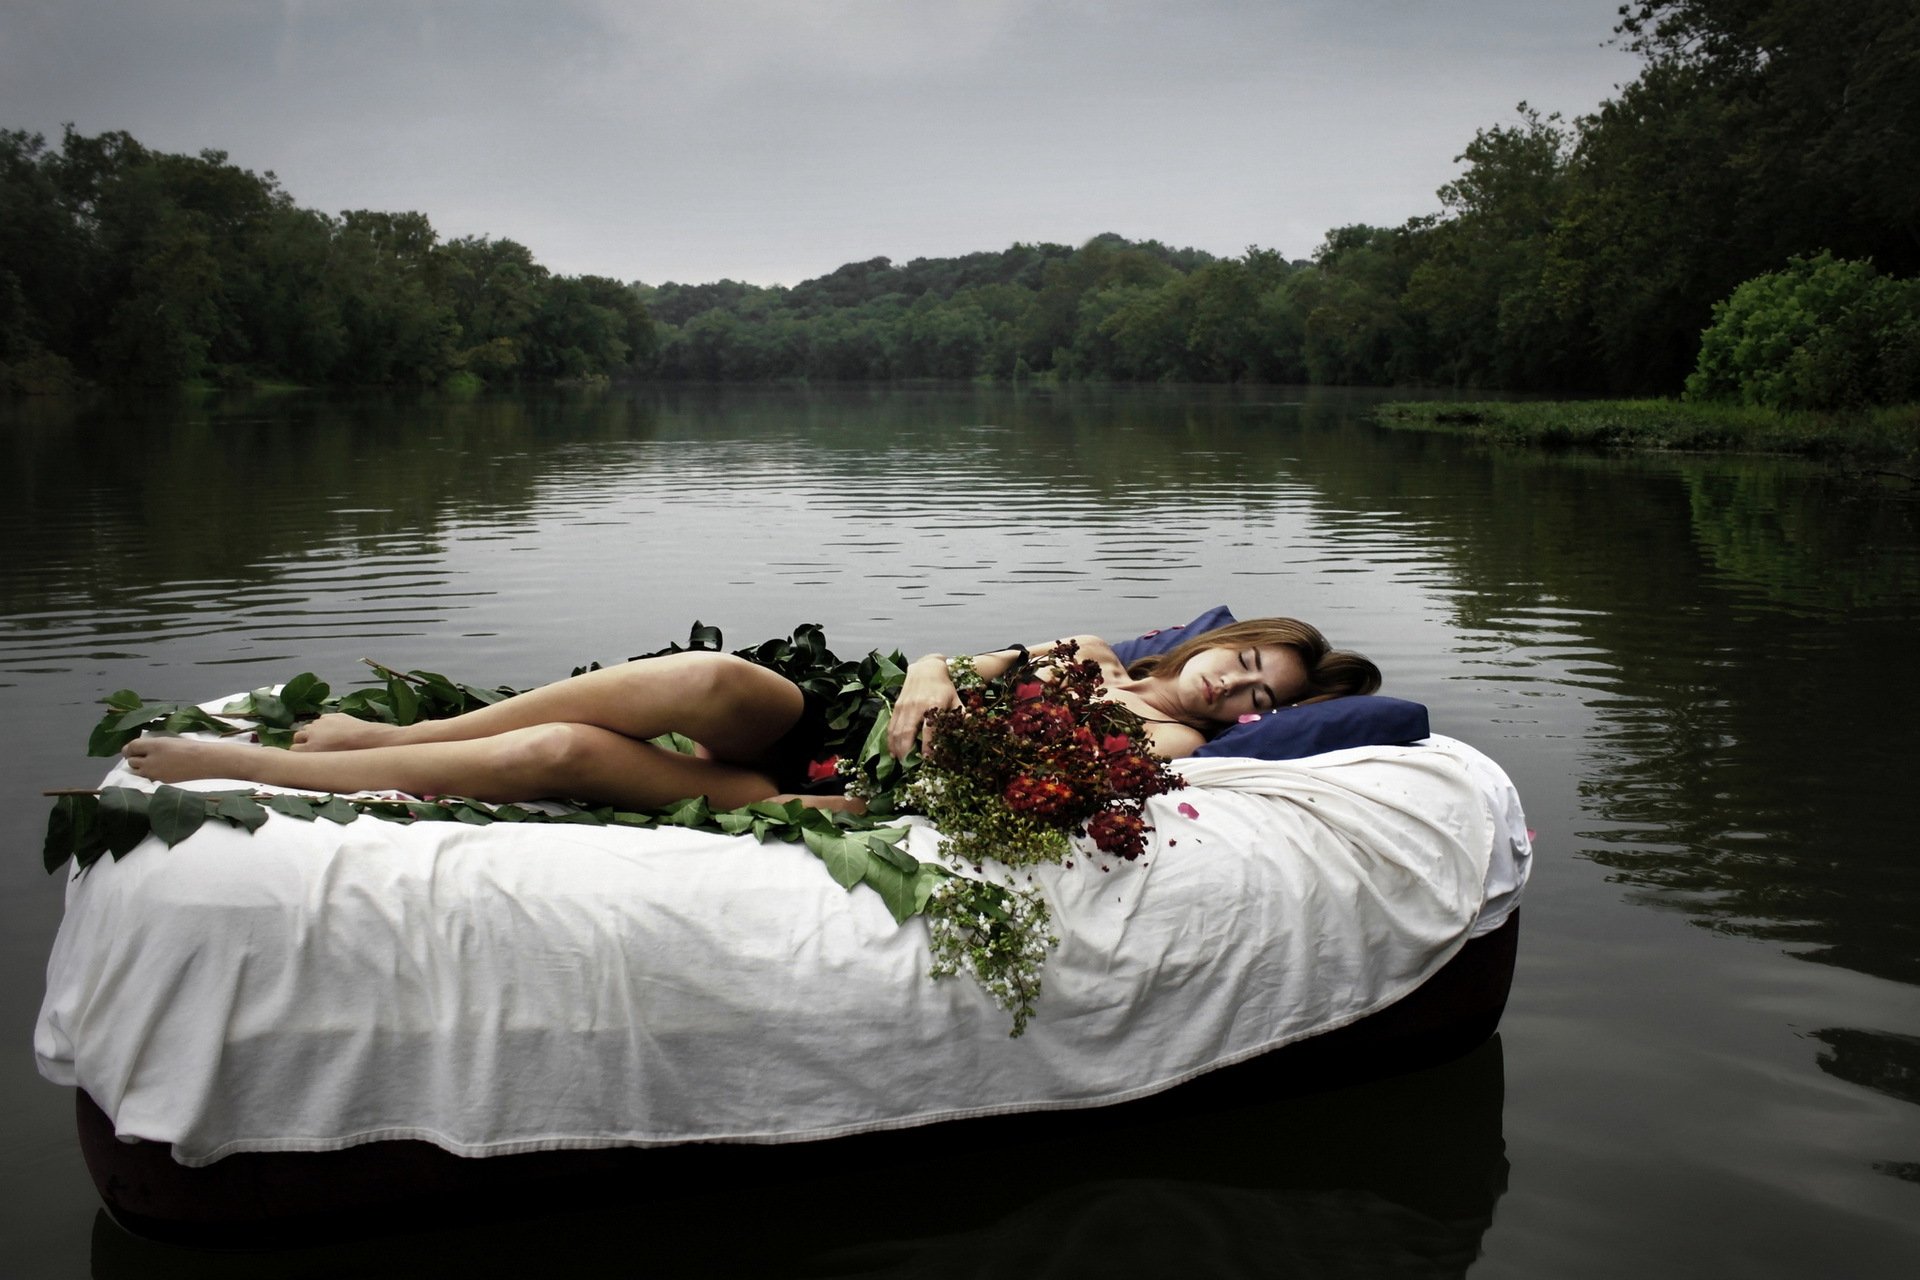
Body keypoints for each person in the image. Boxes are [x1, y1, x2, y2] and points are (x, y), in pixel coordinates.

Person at [120, 618, 1380, 812]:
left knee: (567, 757)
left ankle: (250, 768)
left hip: (862, 798)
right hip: (848, 712)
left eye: (1265, 698)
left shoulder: (1173, 742)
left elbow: (1042, 788)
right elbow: (949, 661)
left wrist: (936, 743)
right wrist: (933, 685)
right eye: (1253, 659)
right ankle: (398, 740)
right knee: (710, 676)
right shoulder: (1098, 649)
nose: (1242, 688)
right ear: (1228, 635)